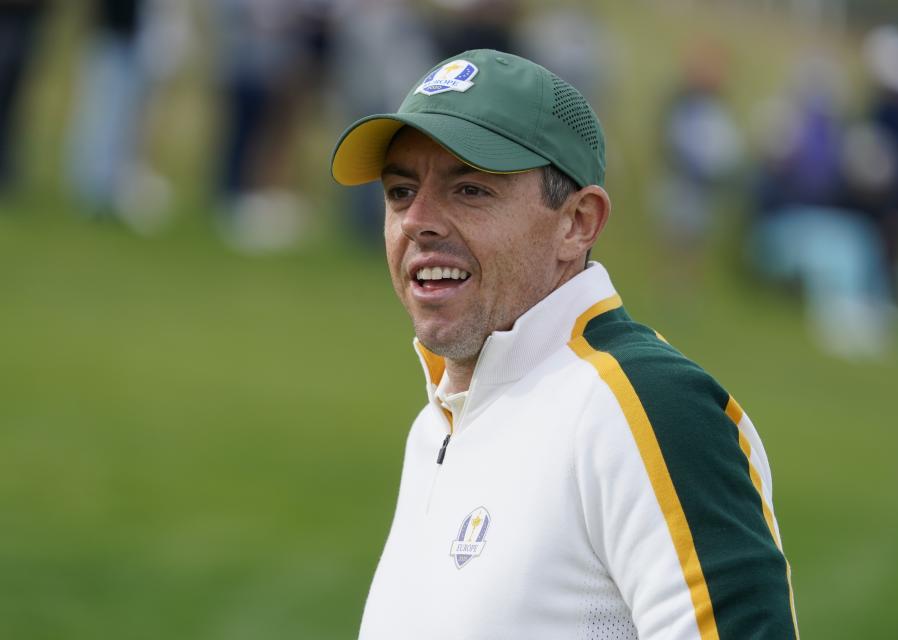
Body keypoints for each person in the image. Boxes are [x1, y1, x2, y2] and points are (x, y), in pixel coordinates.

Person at [331, 49, 798, 638]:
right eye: (400, 191)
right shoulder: (440, 423)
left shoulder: (646, 404)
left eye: (470, 190)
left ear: (578, 222)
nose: (417, 220)